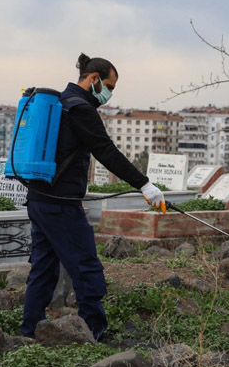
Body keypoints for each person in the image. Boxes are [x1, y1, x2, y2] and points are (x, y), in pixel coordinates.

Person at [20, 53, 165, 341]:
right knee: (86, 265)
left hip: (38, 199)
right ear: (94, 79)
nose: (109, 94)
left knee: (44, 268)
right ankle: (95, 331)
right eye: (109, 86)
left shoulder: (60, 103)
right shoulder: (81, 109)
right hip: (61, 204)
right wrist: (144, 184)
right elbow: (106, 151)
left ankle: (30, 329)